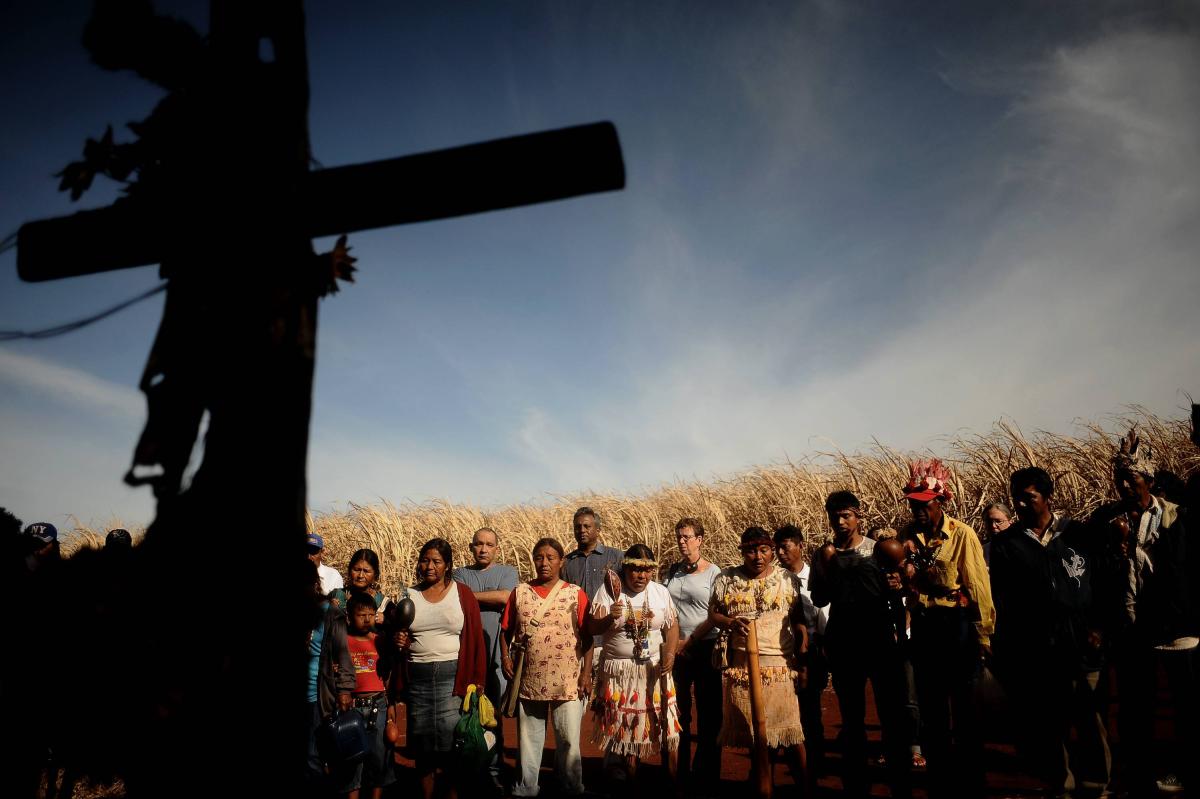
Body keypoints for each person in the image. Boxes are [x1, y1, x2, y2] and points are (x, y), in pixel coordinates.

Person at [990, 467, 1111, 799]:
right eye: (1017, 498)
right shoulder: (1006, 544)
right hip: (1038, 644)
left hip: (1082, 640)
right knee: (1051, 720)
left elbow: (1101, 583)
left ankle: (1097, 784)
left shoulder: (1078, 535)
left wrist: (1097, 627)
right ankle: (1062, 783)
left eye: (1029, 497)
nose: (1021, 504)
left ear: (1047, 497)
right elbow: (1003, 598)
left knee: (1089, 716)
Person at [1100, 430, 1196, 798]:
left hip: (1175, 630)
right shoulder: (1107, 520)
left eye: (1132, 478)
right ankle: (1139, 775)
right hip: (1132, 631)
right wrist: (1117, 546)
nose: (1124, 485)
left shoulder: (1177, 518)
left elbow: (1186, 570)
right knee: (1136, 709)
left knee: (1185, 708)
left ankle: (1185, 772)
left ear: (1149, 481)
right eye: (1119, 479)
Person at [897, 459, 993, 799]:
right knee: (932, 713)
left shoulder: (962, 535)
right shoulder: (907, 537)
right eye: (914, 504)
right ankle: (939, 784)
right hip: (925, 629)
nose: (918, 510)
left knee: (966, 713)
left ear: (941, 502)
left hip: (957, 627)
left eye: (925, 504)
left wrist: (983, 634)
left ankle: (972, 785)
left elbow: (979, 587)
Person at [812, 508, 912, 799]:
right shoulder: (824, 554)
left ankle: (901, 785)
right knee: (852, 719)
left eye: (846, 515)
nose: (840, 522)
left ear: (858, 517)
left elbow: (898, 593)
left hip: (879, 640)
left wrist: (900, 630)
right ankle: (857, 786)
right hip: (844, 643)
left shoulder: (878, 549)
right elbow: (820, 598)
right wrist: (829, 569)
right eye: (834, 516)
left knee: (891, 716)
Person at [709, 527, 809, 795]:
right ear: (743, 552)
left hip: (779, 667)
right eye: (751, 551)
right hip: (742, 668)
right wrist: (730, 622)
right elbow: (713, 614)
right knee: (756, 736)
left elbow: (798, 619)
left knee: (790, 734)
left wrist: (802, 650)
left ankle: (805, 788)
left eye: (764, 550)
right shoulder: (727, 579)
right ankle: (762, 785)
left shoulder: (786, 580)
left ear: (772, 552)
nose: (758, 557)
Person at [393, 538, 488, 799]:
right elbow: (399, 634)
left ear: (447, 565)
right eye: (425, 560)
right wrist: (399, 640)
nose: (430, 566)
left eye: (436, 561)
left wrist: (478, 680)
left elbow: (476, 640)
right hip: (418, 679)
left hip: (453, 678)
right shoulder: (409, 595)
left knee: (452, 745)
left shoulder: (462, 594)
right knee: (422, 748)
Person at [500, 538, 592, 798]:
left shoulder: (575, 593)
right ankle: (526, 788)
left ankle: (571, 787)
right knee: (529, 740)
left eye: (551, 557)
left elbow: (587, 637)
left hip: (568, 679)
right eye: (539, 557)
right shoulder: (520, 593)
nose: (544, 563)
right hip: (530, 678)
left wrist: (586, 675)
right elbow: (505, 630)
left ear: (561, 561)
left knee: (568, 740)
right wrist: (505, 658)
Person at [589, 543, 681, 786]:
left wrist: (670, 654)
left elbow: (672, 626)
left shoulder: (660, 592)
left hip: (655, 670)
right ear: (625, 569)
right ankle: (628, 782)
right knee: (627, 730)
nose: (641, 576)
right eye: (635, 570)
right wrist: (609, 617)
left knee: (667, 727)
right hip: (621, 674)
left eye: (647, 570)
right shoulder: (609, 591)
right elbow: (592, 627)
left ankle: (672, 782)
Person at [453, 527, 519, 793]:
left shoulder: (507, 572)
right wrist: (490, 597)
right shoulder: (460, 573)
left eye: (489, 545)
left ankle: (493, 770)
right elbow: (457, 600)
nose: (483, 549)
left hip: (497, 655)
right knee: (466, 712)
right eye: (478, 544)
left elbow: (507, 597)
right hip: (466, 654)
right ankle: (471, 769)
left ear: (496, 548)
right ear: (471, 547)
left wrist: (470, 597)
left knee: (493, 716)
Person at [663, 517, 723, 786]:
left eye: (686, 537)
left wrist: (689, 641)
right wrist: (673, 643)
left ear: (699, 540)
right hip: (676, 650)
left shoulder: (714, 573)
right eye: (679, 537)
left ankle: (706, 774)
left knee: (709, 713)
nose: (681, 541)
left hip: (705, 646)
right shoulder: (673, 571)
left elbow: (715, 614)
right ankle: (679, 771)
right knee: (678, 711)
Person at [773, 524, 825, 768]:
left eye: (785, 547)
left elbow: (823, 614)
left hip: (812, 651)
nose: (780, 553)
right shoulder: (775, 579)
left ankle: (814, 759)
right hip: (783, 652)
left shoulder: (815, 577)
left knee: (810, 707)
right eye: (778, 548)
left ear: (800, 546)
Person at [306, 560, 354, 795]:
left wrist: (344, 689)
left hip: (317, 695)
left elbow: (343, 654)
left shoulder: (330, 613)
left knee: (313, 756)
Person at [342, 591, 396, 799]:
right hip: (351, 708)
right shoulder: (343, 642)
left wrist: (391, 705)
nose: (367, 619)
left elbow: (388, 676)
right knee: (352, 760)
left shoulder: (380, 641)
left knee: (379, 756)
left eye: (371, 615)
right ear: (349, 617)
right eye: (361, 615)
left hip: (378, 705)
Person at [331, 549, 388, 629]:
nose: (360, 575)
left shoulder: (383, 604)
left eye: (366, 571)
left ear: (375, 575)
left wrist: (385, 621)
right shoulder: (336, 595)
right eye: (357, 570)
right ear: (349, 571)